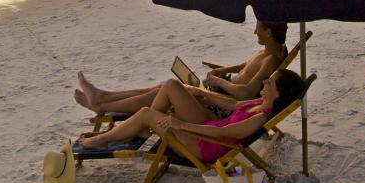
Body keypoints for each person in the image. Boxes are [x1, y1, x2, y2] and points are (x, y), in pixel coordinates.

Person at [74, 70, 306, 162]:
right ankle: (140, 128)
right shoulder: (259, 103)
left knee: (146, 112)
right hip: (208, 129)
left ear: (278, 93)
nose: (264, 83)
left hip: (205, 146)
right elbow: (233, 103)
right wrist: (200, 93)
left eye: (270, 82)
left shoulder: (259, 118)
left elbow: (222, 133)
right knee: (172, 85)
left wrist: (180, 124)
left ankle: (100, 140)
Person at [74, 21, 288, 114]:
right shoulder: (269, 50)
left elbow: (247, 92)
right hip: (217, 91)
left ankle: (102, 104)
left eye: (258, 29)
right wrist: (224, 70)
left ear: (269, 32)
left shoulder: (270, 60)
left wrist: (218, 81)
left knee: (160, 94)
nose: (255, 33)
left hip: (221, 102)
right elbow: (246, 67)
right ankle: (103, 97)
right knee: (161, 88)